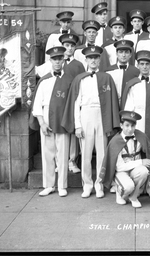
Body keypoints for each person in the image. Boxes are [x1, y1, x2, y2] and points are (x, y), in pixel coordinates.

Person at [61, 45, 120, 199]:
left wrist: (110, 122)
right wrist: (78, 125)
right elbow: (75, 103)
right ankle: (87, 185)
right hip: (85, 113)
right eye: (90, 58)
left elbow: (111, 101)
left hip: (102, 114)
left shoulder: (106, 78)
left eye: (96, 57)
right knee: (86, 153)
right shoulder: (80, 79)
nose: (93, 60)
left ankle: (99, 184)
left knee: (101, 152)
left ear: (100, 60)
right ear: (86, 60)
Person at [99, 110, 150, 208]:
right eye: (127, 125)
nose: (130, 129)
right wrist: (141, 161)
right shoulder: (115, 141)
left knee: (144, 171)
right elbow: (119, 167)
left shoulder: (140, 136)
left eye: (133, 126)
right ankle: (120, 193)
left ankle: (134, 196)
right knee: (128, 186)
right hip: (122, 171)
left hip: (135, 170)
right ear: (121, 125)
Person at [29, 46, 74, 197]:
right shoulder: (44, 80)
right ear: (50, 60)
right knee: (47, 154)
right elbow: (37, 104)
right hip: (47, 117)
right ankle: (49, 185)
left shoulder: (69, 80)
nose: (57, 62)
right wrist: (41, 122)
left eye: (60, 59)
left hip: (63, 118)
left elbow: (72, 102)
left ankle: (62, 185)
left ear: (63, 60)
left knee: (62, 154)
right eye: (54, 59)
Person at [59, 33, 86, 174]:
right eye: (66, 45)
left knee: (73, 130)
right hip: (59, 101)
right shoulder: (57, 62)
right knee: (60, 131)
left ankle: (72, 160)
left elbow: (83, 83)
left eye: (72, 46)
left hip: (74, 100)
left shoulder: (78, 65)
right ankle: (60, 161)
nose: (69, 48)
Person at [105, 39, 140, 104]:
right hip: (113, 104)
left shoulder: (136, 72)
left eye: (126, 52)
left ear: (130, 55)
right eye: (121, 52)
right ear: (116, 54)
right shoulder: (108, 71)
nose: (123, 55)